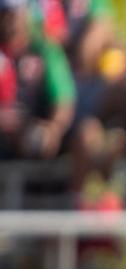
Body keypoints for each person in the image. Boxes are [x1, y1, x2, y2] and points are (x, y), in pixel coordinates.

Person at [0, 0, 74, 161]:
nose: (8, 19)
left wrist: (53, 129)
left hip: (35, 131)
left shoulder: (45, 49)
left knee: (38, 138)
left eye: (14, 13)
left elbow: (64, 100)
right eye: (4, 13)